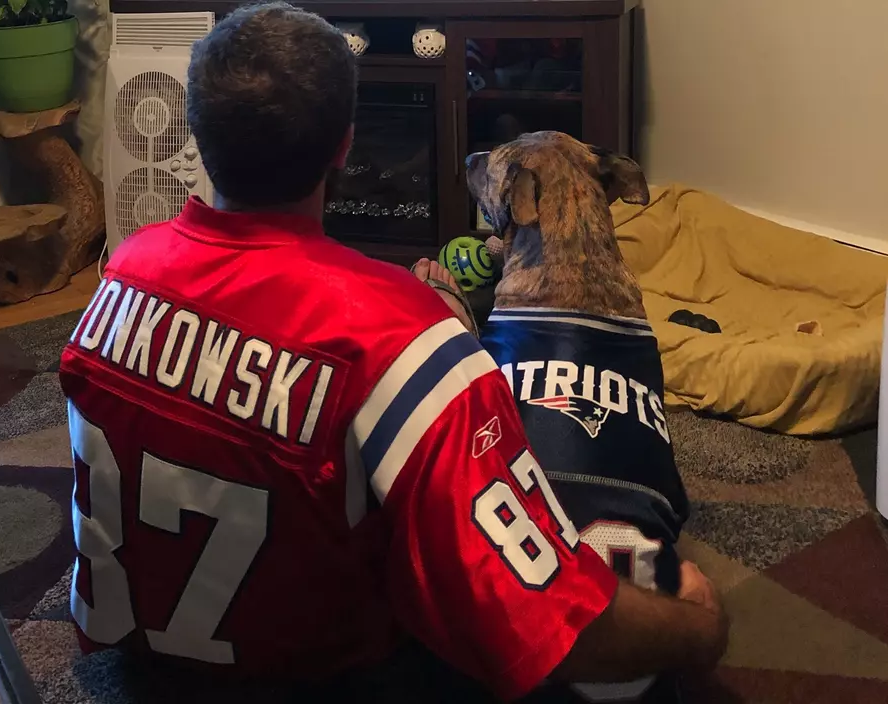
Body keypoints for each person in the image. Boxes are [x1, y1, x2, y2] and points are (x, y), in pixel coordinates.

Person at [58, 3, 728, 701]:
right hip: (317, 681)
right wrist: (699, 629)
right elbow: (548, 624)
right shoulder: (400, 338)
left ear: (195, 132)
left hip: (137, 670)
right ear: (345, 145)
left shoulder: (122, 271)